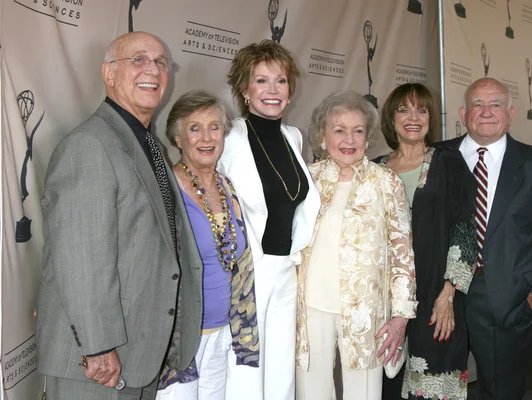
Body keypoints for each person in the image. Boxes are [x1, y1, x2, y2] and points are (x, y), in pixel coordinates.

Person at [36, 32, 203, 399]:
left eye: (161, 62)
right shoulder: (89, 145)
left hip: (138, 355)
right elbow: (80, 257)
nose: (153, 70)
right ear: (108, 74)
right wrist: (98, 347)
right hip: (96, 366)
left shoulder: (148, 145)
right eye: (139, 60)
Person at [439, 77, 532, 399]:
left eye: (495, 104)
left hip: (510, 298)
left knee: (502, 392)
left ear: (510, 114)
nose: (486, 112)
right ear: (462, 112)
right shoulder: (437, 157)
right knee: (435, 387)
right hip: (441, 296)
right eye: (477, 105)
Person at [295, 90, 417, 400]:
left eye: (357, 131)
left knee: (363, 395)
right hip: (310, 309)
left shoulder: (386, 182)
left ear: (367, 137)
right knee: (311, 394)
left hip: (365, 312)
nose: (348, 139)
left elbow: (403, 254)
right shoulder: (307, 179)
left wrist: (400, 317)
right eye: (339, 130)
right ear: (323, 136)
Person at [218, 39, 320, 400]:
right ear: (244, 90)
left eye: (281, 81)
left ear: (290, 90)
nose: (272, 90)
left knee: (280, 371)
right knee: (245, 370)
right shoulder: (227, 138)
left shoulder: (294, 136)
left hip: (287, 268)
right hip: (248, 271)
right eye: (261, 81)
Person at [154, 91, 259, 399]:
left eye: (214, 127)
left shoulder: (227, 187)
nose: (206, 137)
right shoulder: (166, 189)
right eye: (194, 128)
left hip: (225, 333)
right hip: (181, 339)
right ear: (177, 137)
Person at [374, 83, 476, 400]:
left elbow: (465, 228)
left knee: (433, 379)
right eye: (404, 109)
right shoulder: (374, 169)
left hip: (436, 293)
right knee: (386, 378)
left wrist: (449, 293)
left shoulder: (448, 162)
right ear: (391, 119)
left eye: (422, 109)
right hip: (384, 298)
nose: (413, 117)